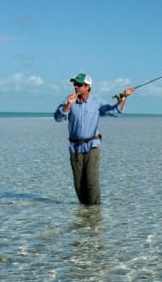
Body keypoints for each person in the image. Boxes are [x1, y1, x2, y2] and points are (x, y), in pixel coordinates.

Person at [54, 73, 135, 205]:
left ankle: (95, 213)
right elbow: (58, 118)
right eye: (75, 84)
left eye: (79, 84)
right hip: (75, 148)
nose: (76, 86)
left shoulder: (97, 102)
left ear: (87, 87)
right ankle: (85, 214)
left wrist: (123, 98)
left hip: (92, 146)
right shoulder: (69, 101)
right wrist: (68, 105)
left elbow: (115, 112)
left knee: (91, 182)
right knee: (79, 184)